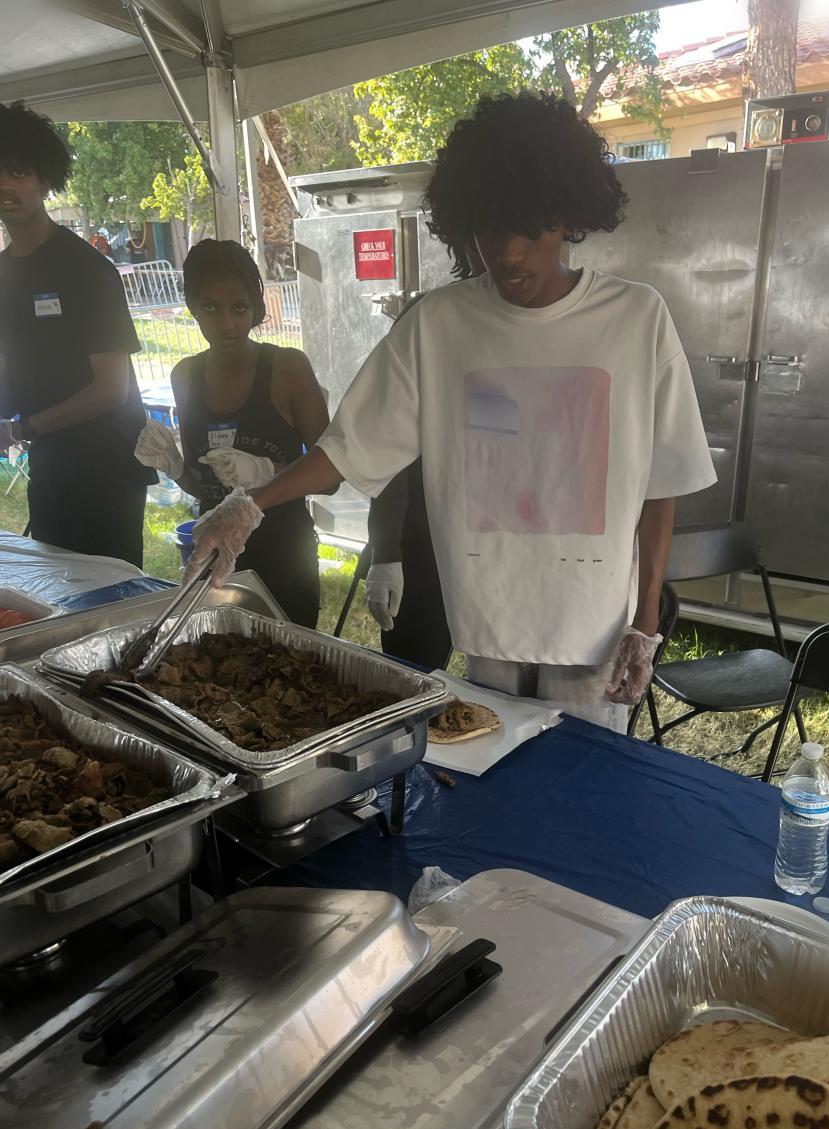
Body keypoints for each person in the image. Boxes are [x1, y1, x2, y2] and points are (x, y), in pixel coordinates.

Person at [188, 93, 716, 730]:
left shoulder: (637, 319)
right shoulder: (438, 326)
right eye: (490, 230)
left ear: (570, 217)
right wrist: (249, 506)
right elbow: (348, 447)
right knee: (491, 768)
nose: (510, 252)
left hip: (596, 631)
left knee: (581, 783)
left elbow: (661, 482)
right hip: (490, 624)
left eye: (532, 229)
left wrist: (646, 619)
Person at [135, 239, 328, 627]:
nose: (226, 323)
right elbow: (205, 486)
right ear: (193, 307)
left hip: (283, 555)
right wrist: (173, 467)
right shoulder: (185, 376)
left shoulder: (286, 368)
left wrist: (265, 472)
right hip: (214, 553)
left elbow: (332, 476)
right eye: (211, 308)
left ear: (255, 307)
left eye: (238, 308)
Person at [0, 101, 154, 566]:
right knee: (54, 592)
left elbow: (111, 389)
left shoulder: (87, 269)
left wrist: (23, 428)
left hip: (107, 470)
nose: (5, 184)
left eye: (19, 172)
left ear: (45, 181)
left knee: (113, 596)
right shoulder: (3, 273)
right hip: (51, 464)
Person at [364, 242, 483, 669]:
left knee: (507, 692)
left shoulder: (555, 331)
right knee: (413, 671)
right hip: (424, 540)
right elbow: (389, 442)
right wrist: (386, 550)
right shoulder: (429, 321)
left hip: (510, 542)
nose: (509, 252)